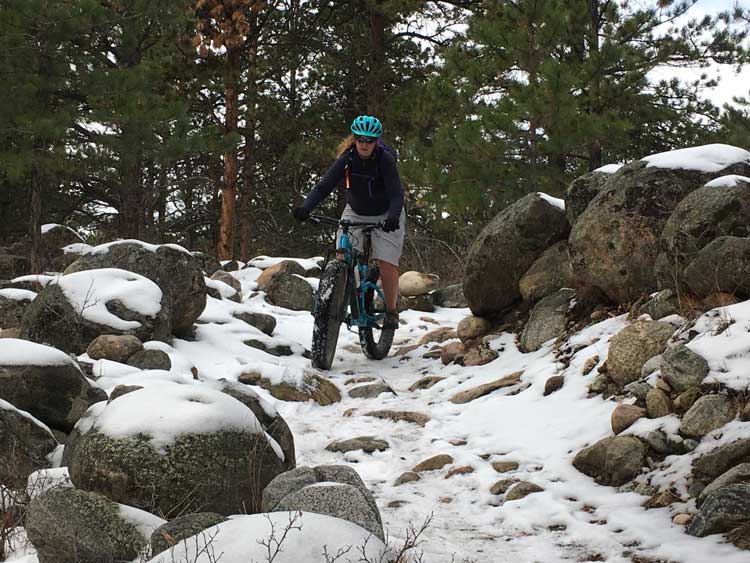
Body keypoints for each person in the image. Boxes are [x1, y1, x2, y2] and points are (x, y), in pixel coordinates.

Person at [292, 115, 405, 330]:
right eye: (360, 139)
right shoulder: (347, 158)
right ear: (354, 139)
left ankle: (391, 311)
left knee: (386, 262)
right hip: (355, 210)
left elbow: (396, 194)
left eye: (369, 140)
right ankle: (342, 299)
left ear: (376, 142)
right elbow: (324, 186)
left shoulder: (385, 160)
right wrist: (306, 208)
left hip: (386, 211)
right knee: (343, 255)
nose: (364, 144)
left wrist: (393, 217)